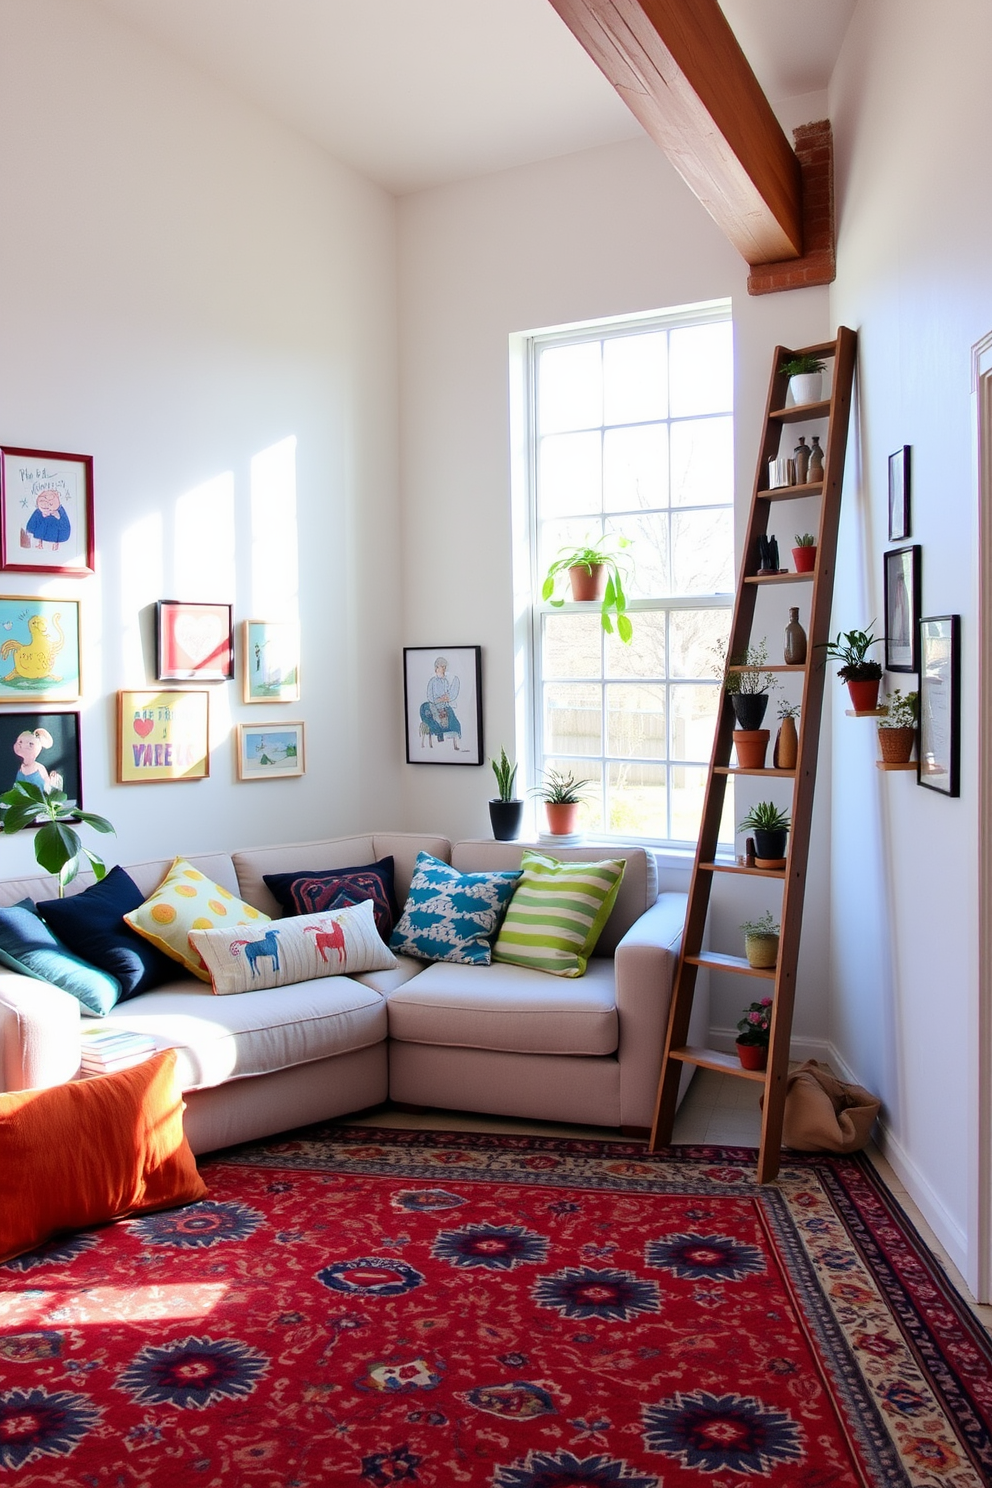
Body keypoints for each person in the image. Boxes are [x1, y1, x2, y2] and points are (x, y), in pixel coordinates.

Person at [420, 656, 462, 749]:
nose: (443, 669)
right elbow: (430, 698)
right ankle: (439, 734)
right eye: (441, 667)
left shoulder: (445, 681)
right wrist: (440, 699)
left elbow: (448, 695)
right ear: (436, 668)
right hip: (434, 706)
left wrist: (447, 698)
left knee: (452, 717)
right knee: (433, 714)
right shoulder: (432, 681)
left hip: (444, 706)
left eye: (444, 667)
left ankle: (455, 740)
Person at [12, 728, 62, 793]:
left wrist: (52, 780)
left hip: (39, 801)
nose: (20, 744)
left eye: (31, 744)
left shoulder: (39, 768)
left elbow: (47, 785)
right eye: (19, 741)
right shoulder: (21, 768)